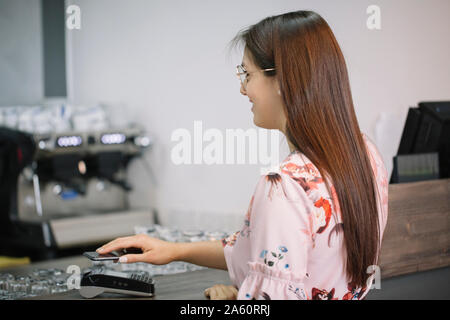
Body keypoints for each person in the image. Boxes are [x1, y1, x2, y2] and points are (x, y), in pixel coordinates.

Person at [96, 10, 389, 300]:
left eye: (247, 74)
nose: (242, 88)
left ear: (281, 80)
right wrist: (175, 251)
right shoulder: (366, 155)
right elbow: (267, 255)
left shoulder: (283, 186)